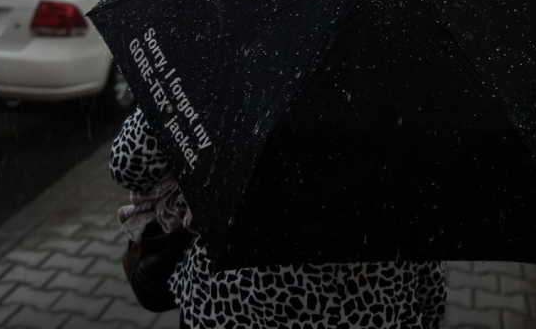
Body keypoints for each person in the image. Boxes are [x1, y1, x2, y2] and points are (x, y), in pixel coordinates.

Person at [110, 107, 448, 328]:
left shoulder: (234, 42)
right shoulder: (412, 89)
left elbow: (128, 165)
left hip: (228, 309)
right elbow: (426, 237)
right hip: (375, 314)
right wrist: (430, 308)